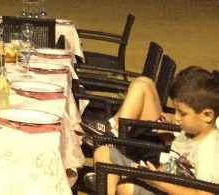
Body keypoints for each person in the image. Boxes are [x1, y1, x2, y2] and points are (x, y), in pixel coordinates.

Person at [90, 67, 219, 194]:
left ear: (207, 115)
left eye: (183, 113)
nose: (176, 117)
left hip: (170, 188)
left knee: (126, 187)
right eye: (176, 111)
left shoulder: (208, 150)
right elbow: (171, 165)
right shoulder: (188, 132)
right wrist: (152, 173)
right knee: (103, 152)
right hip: (161, 180)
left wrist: (155, 180)